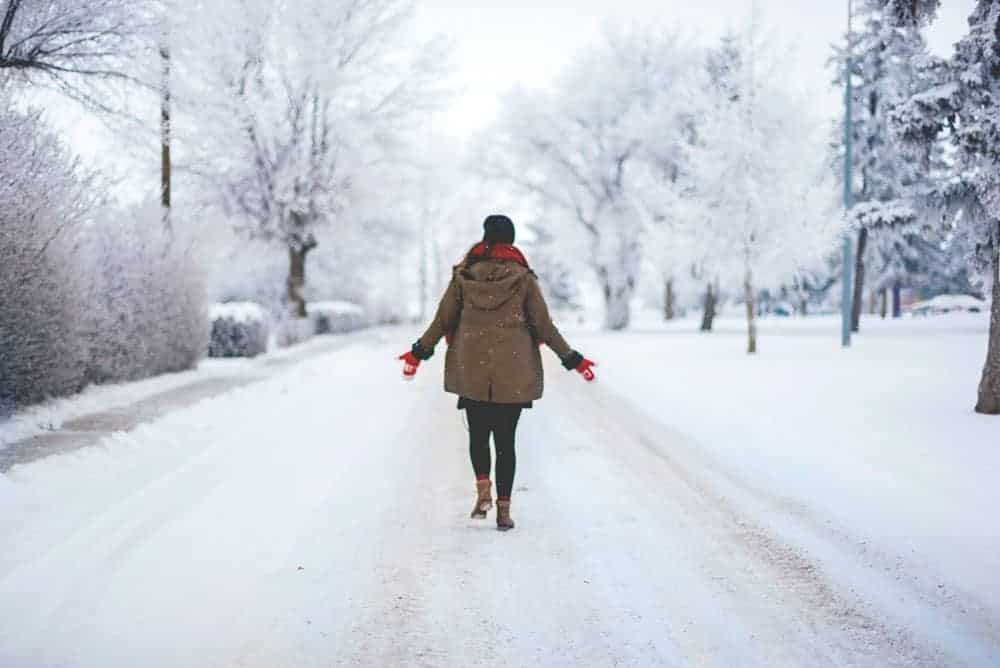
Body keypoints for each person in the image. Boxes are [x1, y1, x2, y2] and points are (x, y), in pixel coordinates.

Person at [398, 214, 596, 531]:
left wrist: (419, 352)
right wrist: (573, 359)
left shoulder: (464, 276)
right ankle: (504, 512)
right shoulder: (524, 279)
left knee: (478, 435)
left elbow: (443, 320)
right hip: (513, 371)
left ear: (486, 238)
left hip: (471, 368)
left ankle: (483, 491)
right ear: (512, 240)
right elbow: (543, 326)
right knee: (506, 442)